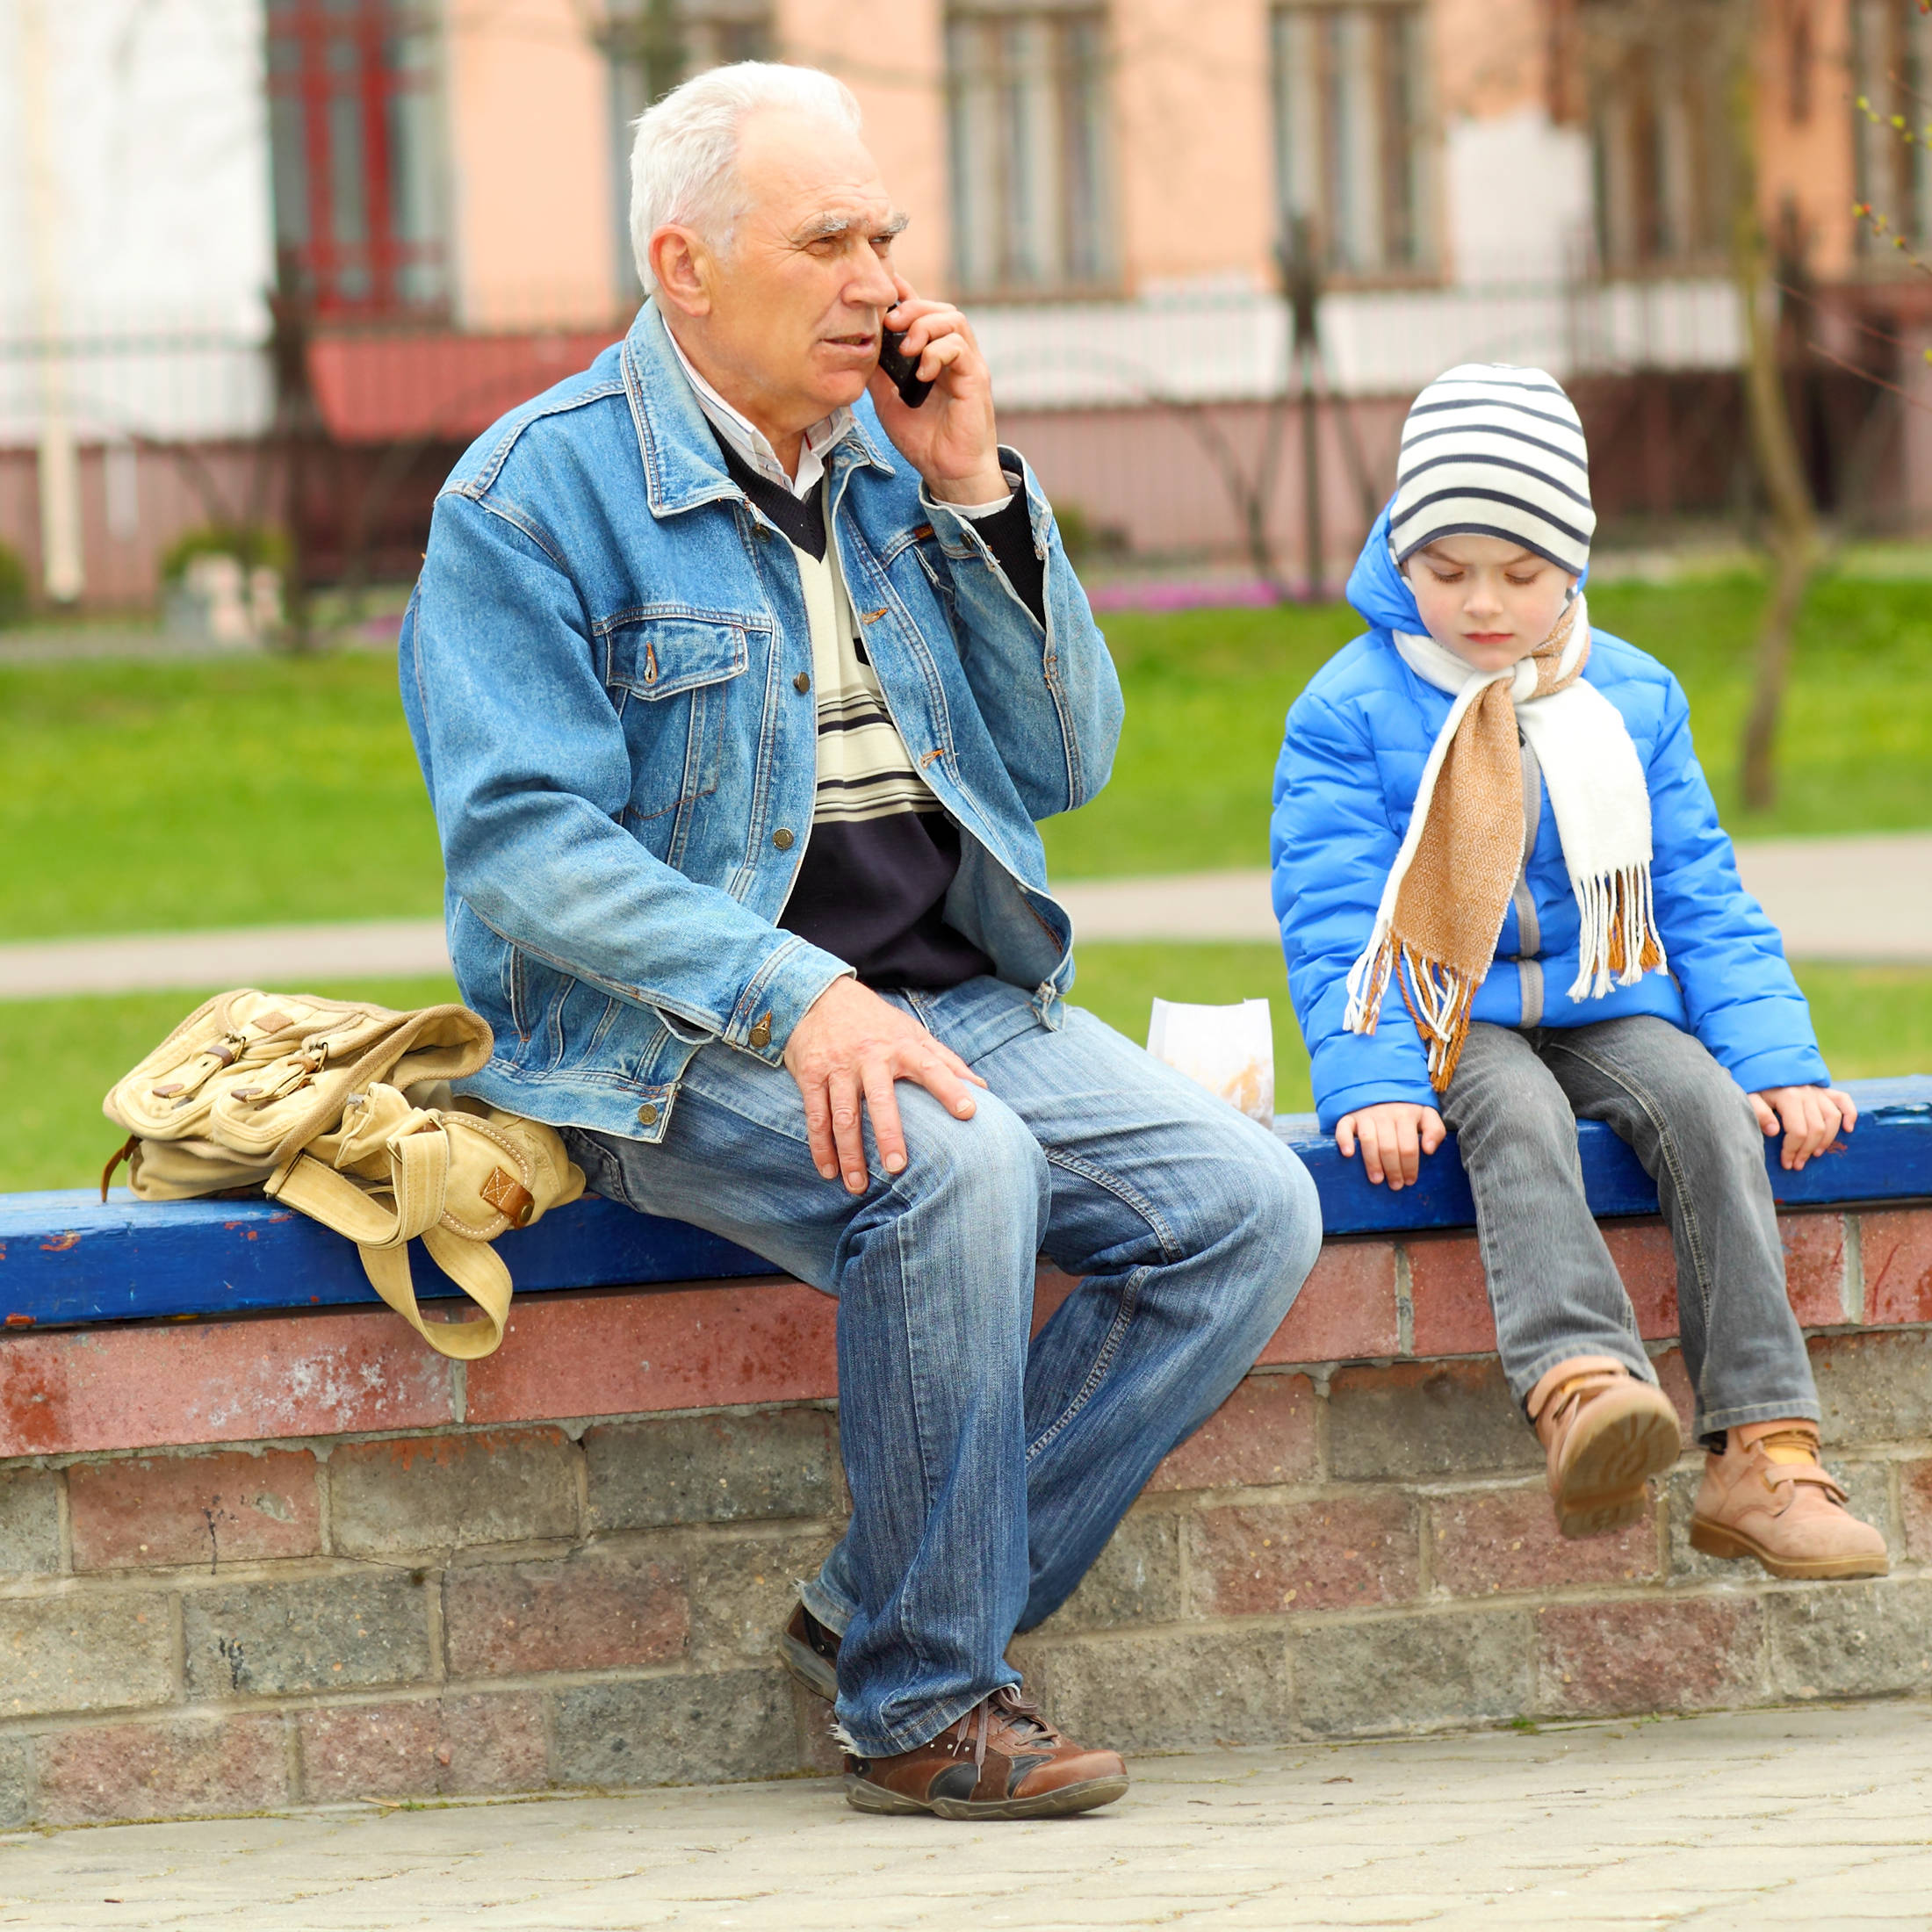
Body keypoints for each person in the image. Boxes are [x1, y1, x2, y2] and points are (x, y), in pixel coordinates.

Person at [400, 62, 1321, 1820]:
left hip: (946, 994)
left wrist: (975, 490)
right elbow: (521, 847)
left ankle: (877, 1610)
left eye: (884, 235)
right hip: (667, 1042)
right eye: (826, 241)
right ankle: (922, 1703)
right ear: (683, 266)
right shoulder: (529, 498)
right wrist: (790, 990)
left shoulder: (899, 463)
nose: (879, 284)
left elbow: (1068, 759)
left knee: (1244, 1206)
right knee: (957, 1174)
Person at [1271, 364, 1886, 1578]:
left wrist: (1775, 1059)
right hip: (1455, 1010)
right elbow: (1339, 917)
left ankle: (1762, 1448)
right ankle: (1581, 1386)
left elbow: (1700, 892)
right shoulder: (1346, 707)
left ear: (1575, 564)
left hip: (1612, 997)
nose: (1484, 606)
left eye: (1521, 573)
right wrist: (1378, 1084)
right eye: (1446, 573)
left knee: (1708, 1106)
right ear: (1402, 555)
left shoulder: (1633, 696)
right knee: (1514, 1111)